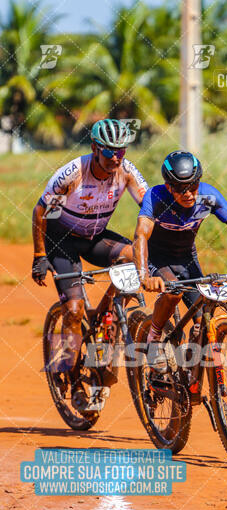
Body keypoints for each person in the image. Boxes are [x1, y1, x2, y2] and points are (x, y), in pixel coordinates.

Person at [32, 118, 148, 412]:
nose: (116, 158)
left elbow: (149, 206)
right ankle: (69, 375)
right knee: (73, 309)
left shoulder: (125, 171)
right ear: (95, 148)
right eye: (109, 152)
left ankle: (106, 309)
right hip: (63, 239)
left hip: (95, 236)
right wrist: (39, 256)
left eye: (121, 151)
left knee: (135, 257)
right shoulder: (73, 174)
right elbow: (42, 213)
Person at [133, 150, 227, 371]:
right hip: (158, 258)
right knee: (173, 294)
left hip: (187, 258)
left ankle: (190, 372)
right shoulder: (155, 197)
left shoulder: (208, 195)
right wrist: (144, 275)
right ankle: (153, 338)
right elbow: (141, 235)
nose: (189, 194)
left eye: (193, 186)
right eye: (181, 189)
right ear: (168, 186)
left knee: (205, 316)